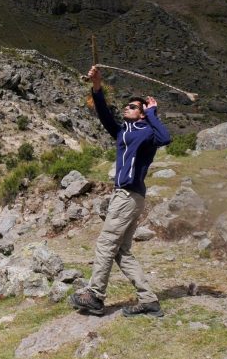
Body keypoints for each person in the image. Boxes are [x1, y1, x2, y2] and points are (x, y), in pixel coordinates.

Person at [69, 65, 171, 317]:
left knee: (105, 244)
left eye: (133, 106)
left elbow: (166, 138)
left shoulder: (148, 132)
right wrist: (97, 86)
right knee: (121, 251)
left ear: (143, 113)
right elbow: (103, 114)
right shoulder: (123, 131)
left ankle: (95, 295)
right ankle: (148, 300)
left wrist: (152, 113)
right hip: (125, 196)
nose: (127, 107)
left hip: (128, 195)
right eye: (127, 105)